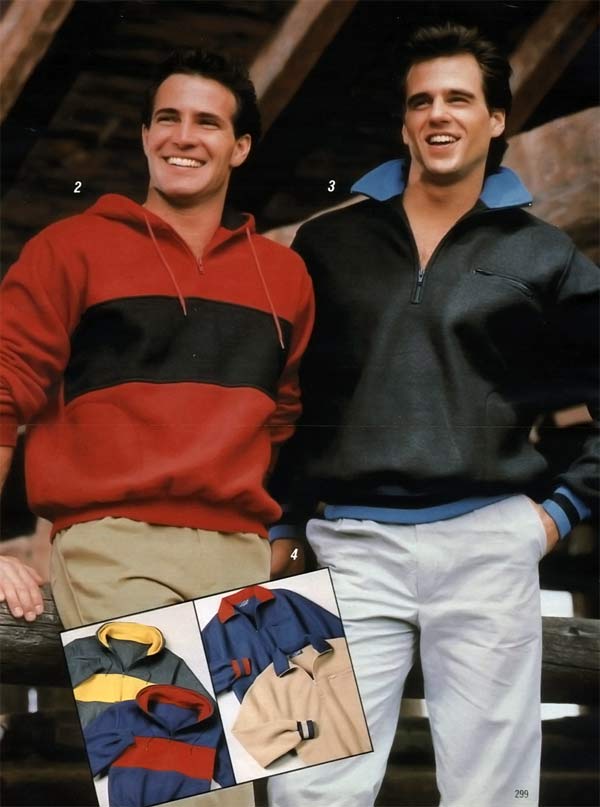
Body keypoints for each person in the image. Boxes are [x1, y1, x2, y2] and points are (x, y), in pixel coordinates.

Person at [267, 23, 598, 807]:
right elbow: (289, 397)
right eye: (421, 101)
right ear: (404, 121)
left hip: (489, 545)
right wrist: (282, 520)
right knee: (308, 789)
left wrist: (558, 512)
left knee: (492, 794)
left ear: (495, 119)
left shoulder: (544, 253)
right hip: (346, 547)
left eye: (459, 98)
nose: (438, 114)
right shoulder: (328, 244)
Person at [0, 48, 313, 634]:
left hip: (244, 556)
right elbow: (3, 388)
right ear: (146, 136)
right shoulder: (68, 249)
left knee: (309, 701)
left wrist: (278, 539)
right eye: (168, 118)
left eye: (207, 122)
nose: (183, 136)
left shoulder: (286, 275)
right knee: (158, 702)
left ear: (240, 147)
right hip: (114, 544)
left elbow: (283, 418)